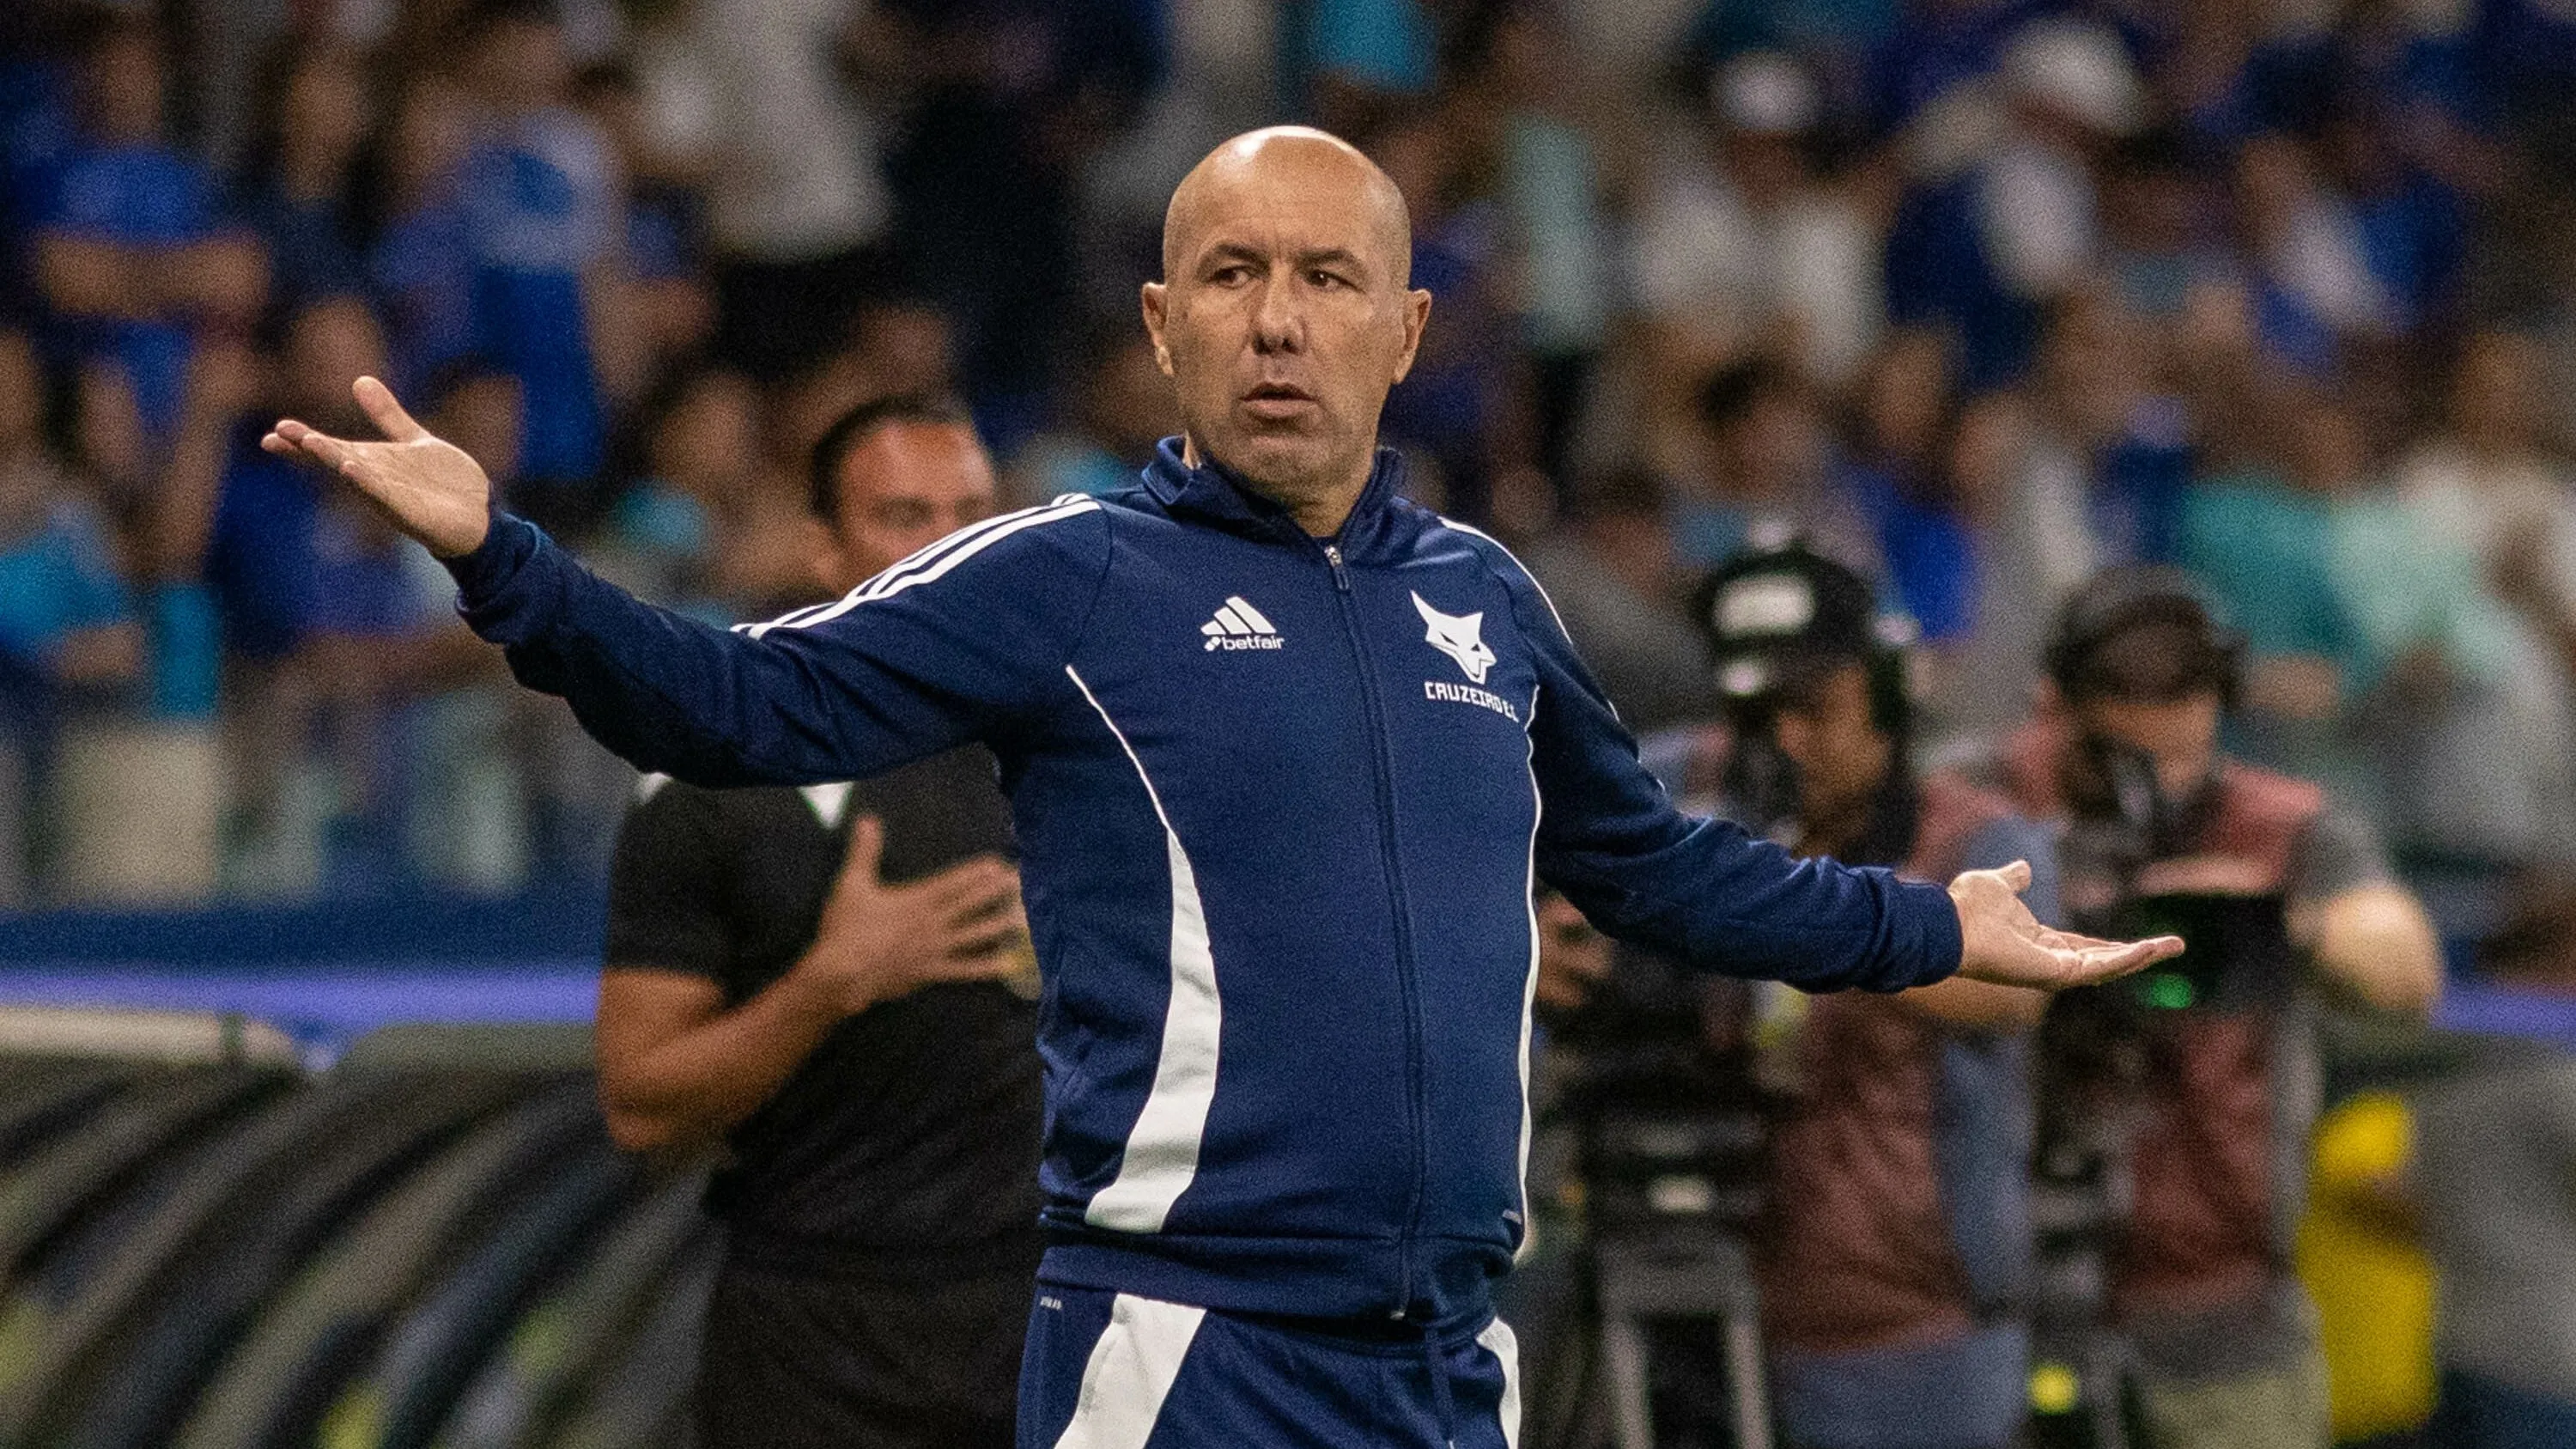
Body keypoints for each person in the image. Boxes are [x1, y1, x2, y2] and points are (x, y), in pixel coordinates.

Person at [262, 125, 2177, 1448]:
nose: (1278, 318)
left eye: (1329, 277)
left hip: (1451, 1361)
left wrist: (1928, 923)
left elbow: (1655, 865)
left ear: (1404, 333)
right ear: (1162, 327)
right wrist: (502, 556)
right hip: (1185, 1354)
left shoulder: (1488, 601)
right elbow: (737, 705)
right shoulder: (1067, 577)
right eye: (1231, 275)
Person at [594, 395, 1038, 1449]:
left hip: (1049, 1320)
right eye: (905, 517)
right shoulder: (717, 773)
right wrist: (829, 983)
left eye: (973, 518)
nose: (950, 551)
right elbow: (640, 1104)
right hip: (815, 1344)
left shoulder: (1082, 752)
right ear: (823, 549)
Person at [1986, 566, 2441, 1449]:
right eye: (2124, 757)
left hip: (2223, 1307)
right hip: (1999, 1302)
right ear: (2057, 705)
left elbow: (2406, 972)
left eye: (2180, 757)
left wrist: (2264, 924)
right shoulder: (1984, 809)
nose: (2156, 788)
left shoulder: (2282, 826)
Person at [1692, 543, 2053, 1449]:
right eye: (1758, 713)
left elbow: (2015, 991)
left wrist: (1809, 919)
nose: (1786, 739)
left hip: (1917, 1328)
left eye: (1815, 707)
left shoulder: (1977, 840)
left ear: (1887, 698)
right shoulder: (1700, 814)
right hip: (1714, 1299)